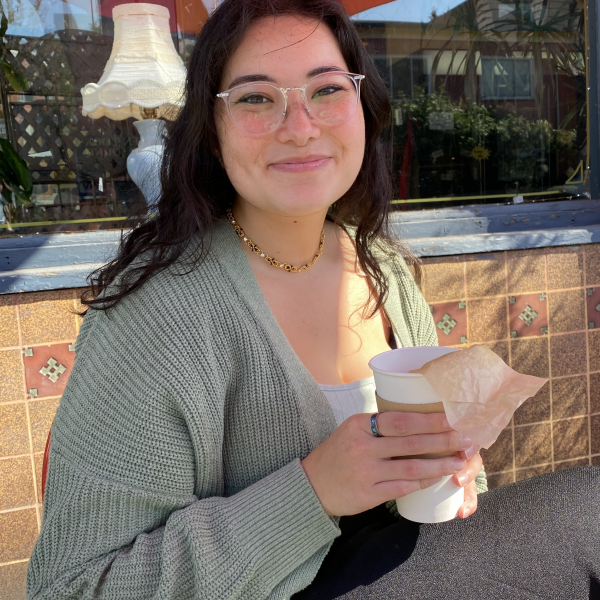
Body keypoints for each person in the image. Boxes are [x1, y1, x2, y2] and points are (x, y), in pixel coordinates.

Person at [27, 1, 600, 598]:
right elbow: (74, 587)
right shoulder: (151, 317)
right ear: (210, 130)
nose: (300, 126)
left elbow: (422, 460)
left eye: (327, 89)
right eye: (255, 98)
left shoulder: (386, 270)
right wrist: (314, 491)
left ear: (363, 107)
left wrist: (447, 467)